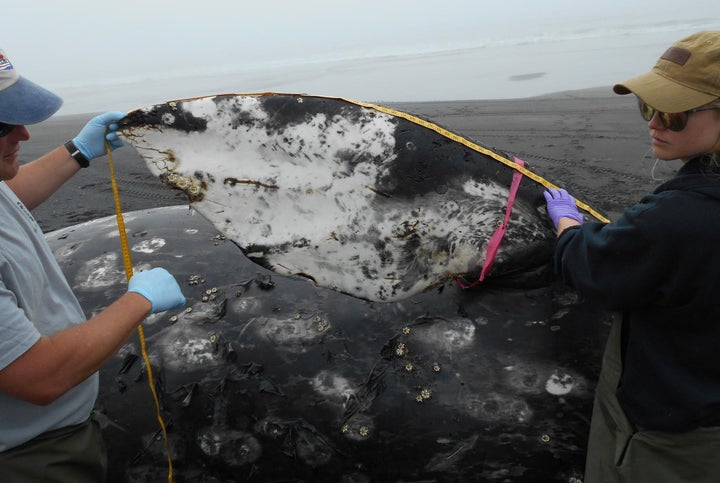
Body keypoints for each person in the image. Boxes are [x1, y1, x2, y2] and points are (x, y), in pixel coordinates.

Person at [0, 49, 186, 481]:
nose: (24, 135)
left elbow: (11, 198)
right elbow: (38, 377)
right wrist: (138, 301)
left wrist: (78, 151)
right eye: (3, 126)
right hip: (26, 458)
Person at [544, 30, 720, 482]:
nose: (654, 123)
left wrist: (567, 225)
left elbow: (593, 267)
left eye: (675, 113)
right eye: (649, 106)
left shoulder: (676, 218)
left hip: (673, 439)